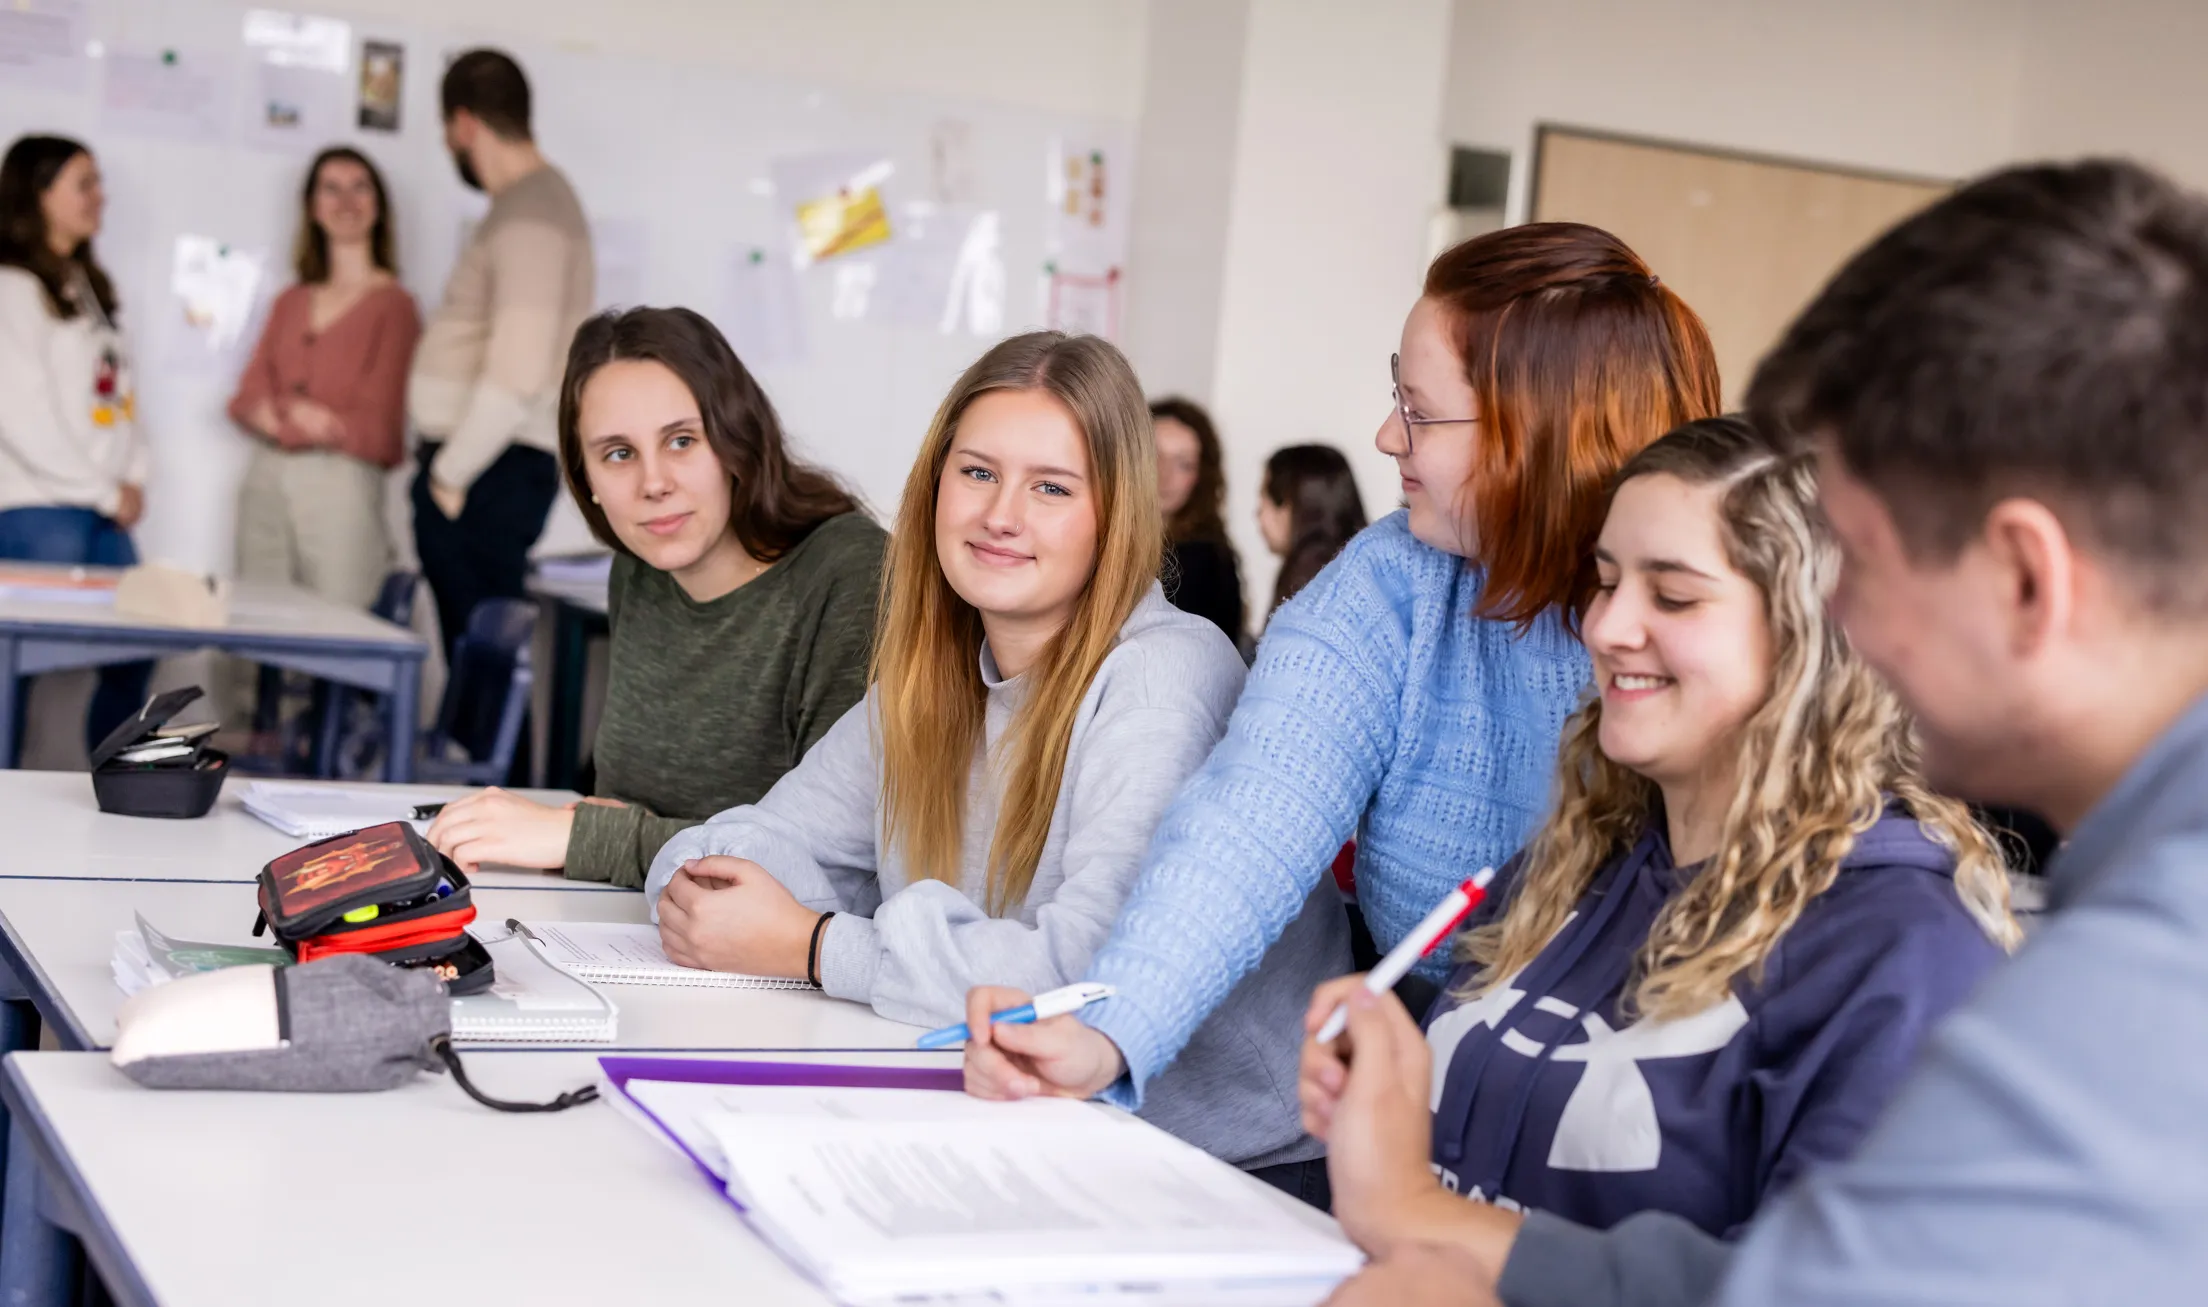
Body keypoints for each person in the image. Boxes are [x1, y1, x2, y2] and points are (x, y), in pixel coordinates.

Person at [1327, 159, 2208, 1307]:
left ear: (2025, 579)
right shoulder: (2138, 890)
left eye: (1868, 567)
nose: (1839, 628)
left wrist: (1439, 1247)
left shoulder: (2141, 959)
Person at [961, 223, 1722, 1207]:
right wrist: (1112, 1026)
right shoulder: (1395, 579)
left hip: (1638, 1170)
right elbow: (1248, 822)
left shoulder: (1709, 633)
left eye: (1420, 410)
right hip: (1423, 1136)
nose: (1386, 435)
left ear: (1535, 434)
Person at [1298, 417, 2017, 1301]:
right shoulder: (1572, 865)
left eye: (1672, 596)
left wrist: (1420, 1214)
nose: (1606, 626)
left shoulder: (1907, 953)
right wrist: (1388, 1092)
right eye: (1605, 582)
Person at [640, 331, 1264, 1166]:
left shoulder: (1164, 675)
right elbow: (755, 836)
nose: (1000, 514)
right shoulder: (931, 679)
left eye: (1050, 486)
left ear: (1113, 515)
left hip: (1203, 1160)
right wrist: (710, 894)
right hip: (1002, 1115)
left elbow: (1086, 975)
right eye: (977, 472)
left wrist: (815, 944)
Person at [426, 307, 884, 889]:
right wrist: (607, 835)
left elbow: (830, 857)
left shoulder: (850, 574)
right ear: (586, 477)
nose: (653, 483)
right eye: (618, 453)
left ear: (735, 441)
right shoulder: (639, 571)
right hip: (637, 925)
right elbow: (625, 807)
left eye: (682, 441)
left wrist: (585, 837)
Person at [409, 48, 594, 677]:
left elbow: (517, 373)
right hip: (490, 469)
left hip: (486, 472)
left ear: (463, 125)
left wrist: (449, 478)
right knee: (479, 675)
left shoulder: (532, 211)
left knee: (482, 682)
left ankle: (491, 781)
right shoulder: (534, 203)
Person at [226, 147, 420, 741]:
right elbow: (243, 398)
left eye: (360, 186)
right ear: (311, 205)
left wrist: (287, 416)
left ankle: (324, 759)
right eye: (330, 188)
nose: (345, 201)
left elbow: (379, 430)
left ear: (379, 205)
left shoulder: (395, 307)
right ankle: (256, 751)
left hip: (341, 486)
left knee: (333, 637)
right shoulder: (291, 300)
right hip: (267, 480)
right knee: (253, 630)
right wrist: (299, 418)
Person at [0, 135, 151, 752]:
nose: (100, 196)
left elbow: (120, 397)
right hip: (40, 511)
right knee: (15, 678)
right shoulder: (12, 286)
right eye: (83, 183)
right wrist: (105, 490)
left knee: (139, 651)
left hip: (102, 511)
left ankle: (118, 795)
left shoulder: (84, 284)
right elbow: (21, 415)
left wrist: (135, 475)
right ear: (38, 193)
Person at [1151, 397, 1245, 642]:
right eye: (1154, 455)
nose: (1165, 474)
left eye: (1184, 464)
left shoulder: (1206, 560)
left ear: (1201, 478)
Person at [1257, 443, 1367, 619]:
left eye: (1264, 497)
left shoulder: (1308, 578)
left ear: (1291, 504)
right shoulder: (1362, 564)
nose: (1259, 513)